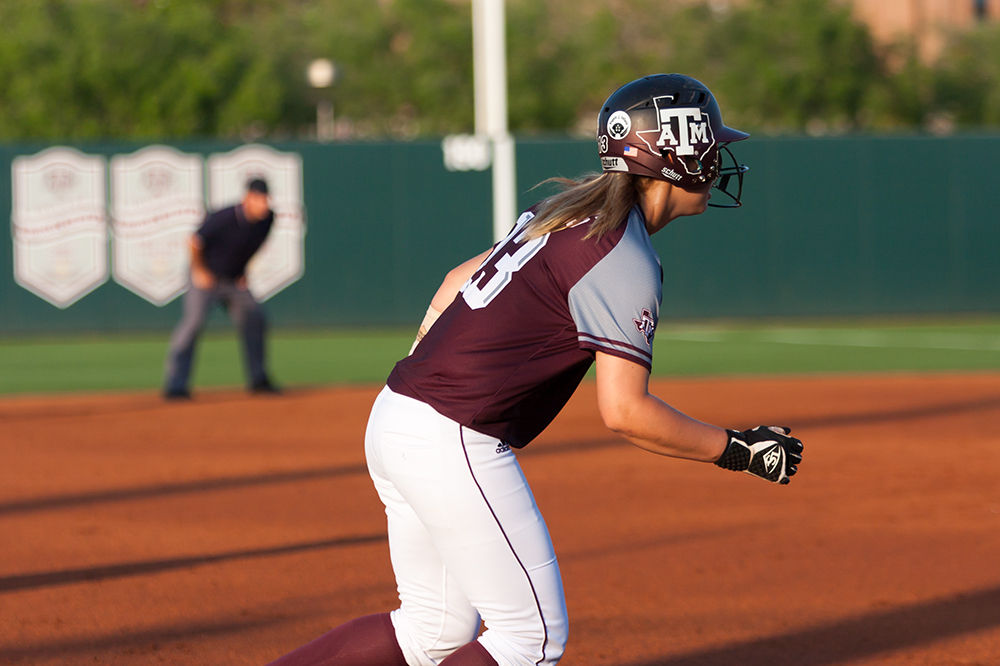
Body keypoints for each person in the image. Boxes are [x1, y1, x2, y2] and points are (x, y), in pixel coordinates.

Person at [267, 74, 804, 665]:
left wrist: (428, 391)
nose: (718, 157)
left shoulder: (565, 211)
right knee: (530, 640)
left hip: (399, 412)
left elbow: (452, 284)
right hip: (454, 435)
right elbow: (625, 413)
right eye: (709, 144)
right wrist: (736, 449)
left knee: (432, 629)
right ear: (673, 153)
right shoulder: (620, 254)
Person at [163, 178, 279, 399]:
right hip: (206, 277)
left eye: (266, 199)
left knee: (255, 318)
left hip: (233, 280)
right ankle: (176, 384)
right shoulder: (225, 218)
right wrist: (199, 271)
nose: (263, 204)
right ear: (247, 198)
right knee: (193, 323)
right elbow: (194, 242)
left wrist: (243, 270)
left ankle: (259, 379)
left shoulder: (268, 219)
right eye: (259, 198)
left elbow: (252, 245)